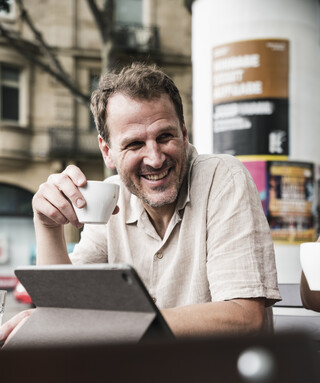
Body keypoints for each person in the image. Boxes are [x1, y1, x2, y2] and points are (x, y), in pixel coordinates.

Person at [0, 62, 281, 343]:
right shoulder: (110, 196)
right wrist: (47, 225)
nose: (155, 158)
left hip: (218, 381)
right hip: (136, 380)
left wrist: (110, 323)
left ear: (184, 134)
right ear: (107, 152)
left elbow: (246, 317)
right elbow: (63, 307)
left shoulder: (223, 178)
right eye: (135, 144)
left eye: (165, 136)